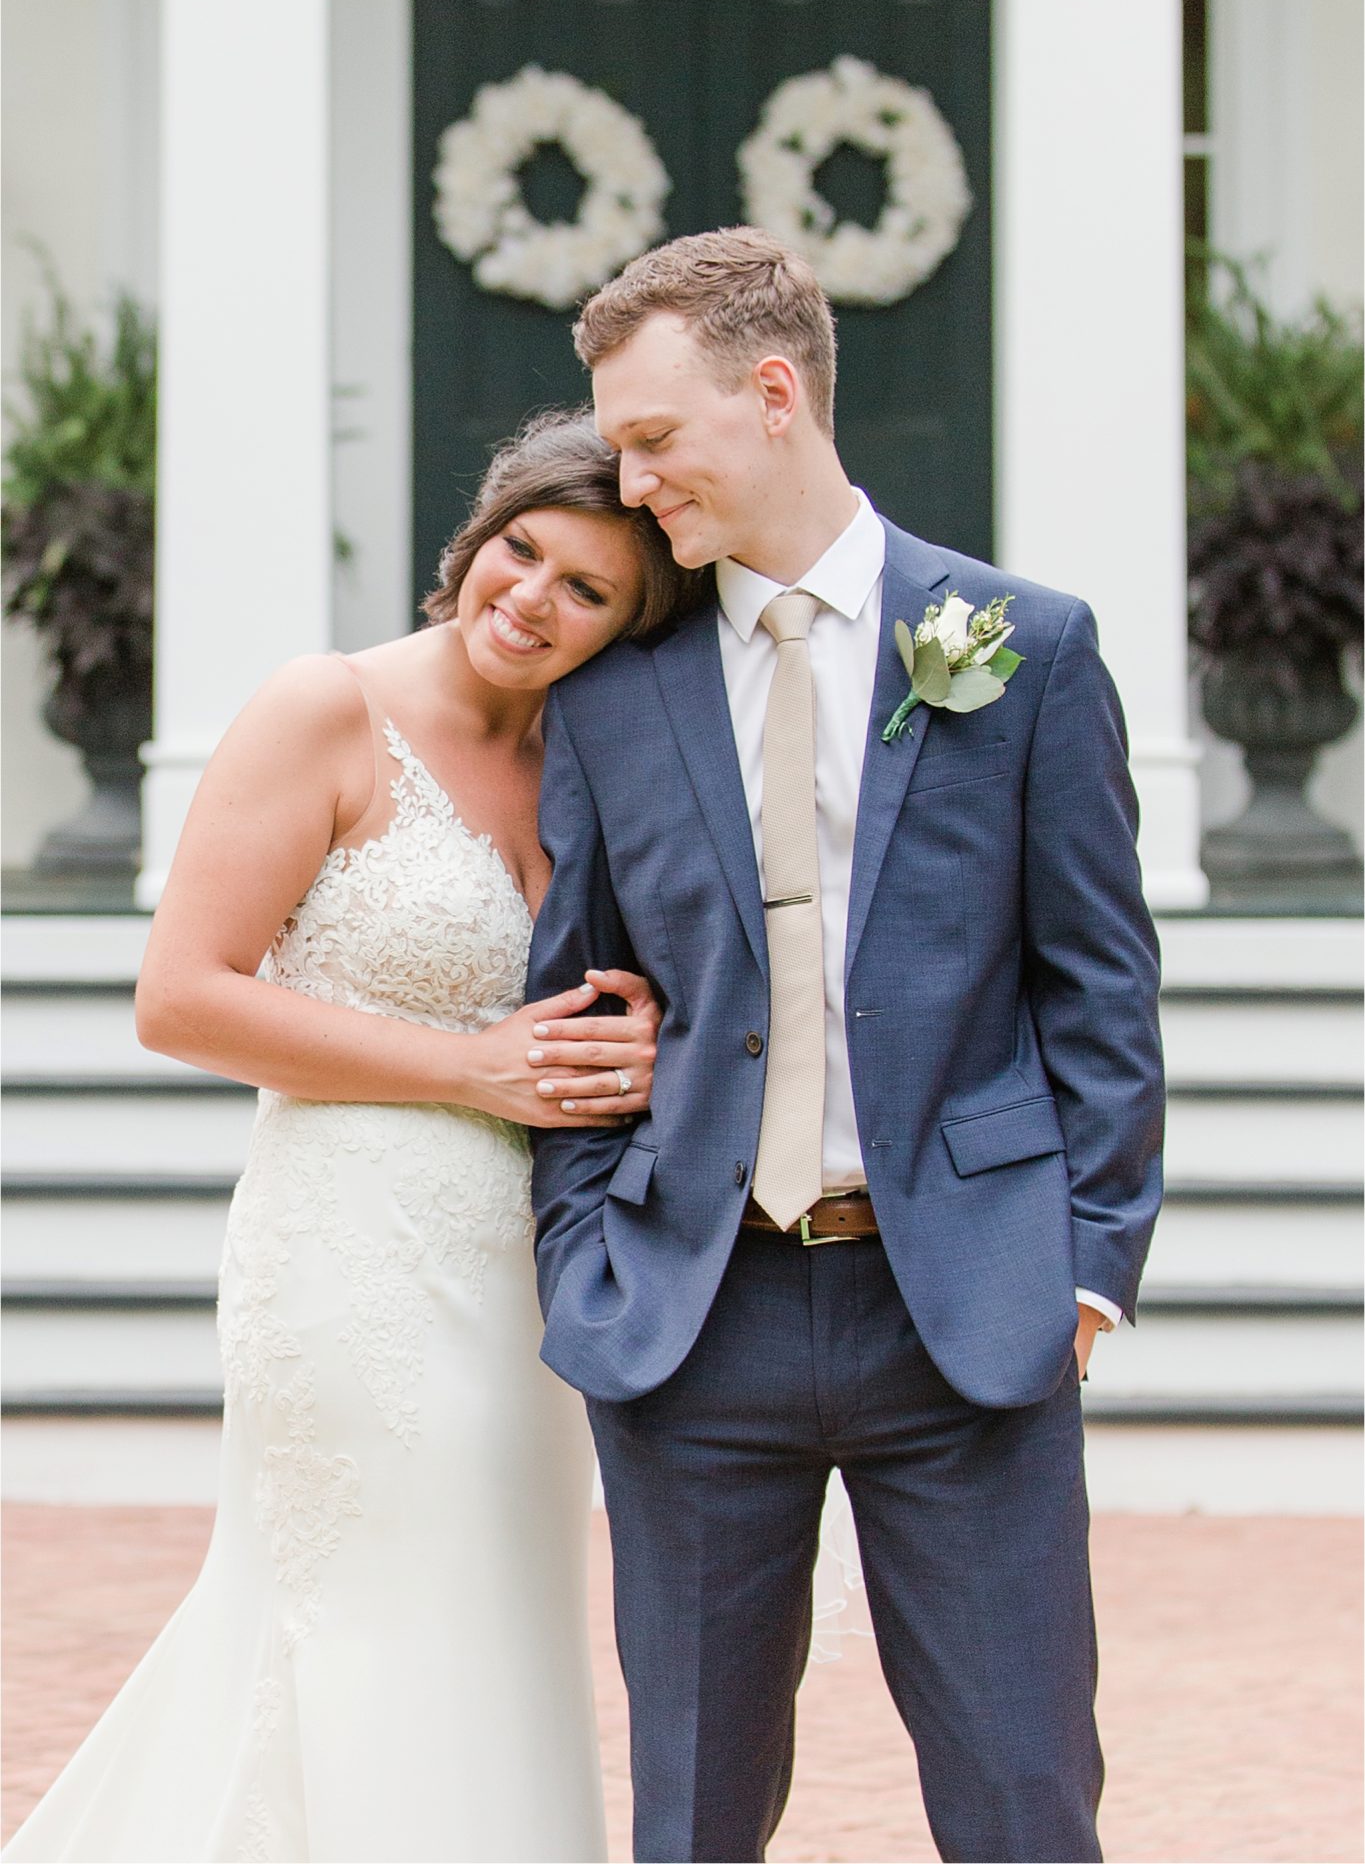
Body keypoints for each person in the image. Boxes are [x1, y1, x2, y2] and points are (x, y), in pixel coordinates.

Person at [528, 228, 1165, 1864]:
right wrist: (587, 1250)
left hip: (960, 1307)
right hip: (694, 1317)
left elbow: (1098, 985)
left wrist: (1082, 1272)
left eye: (656, 440)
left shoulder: (1024, 646)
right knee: (691, 1811)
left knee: (1025, 1796)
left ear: (772, 392)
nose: (636, 480)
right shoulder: (613, 696)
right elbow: (581, 987)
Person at [6, 410, 695, 1864]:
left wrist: (634, 1031)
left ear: (630, 625)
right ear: (478, 534)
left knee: (494, 1620)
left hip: (525, 1275)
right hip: (347, 1250)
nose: (533, 601)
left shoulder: (598, 752)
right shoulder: (326, 707)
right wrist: (472, 1070)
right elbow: (180, 998)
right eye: (523, 553)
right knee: (372, 1615)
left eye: (588, 592)